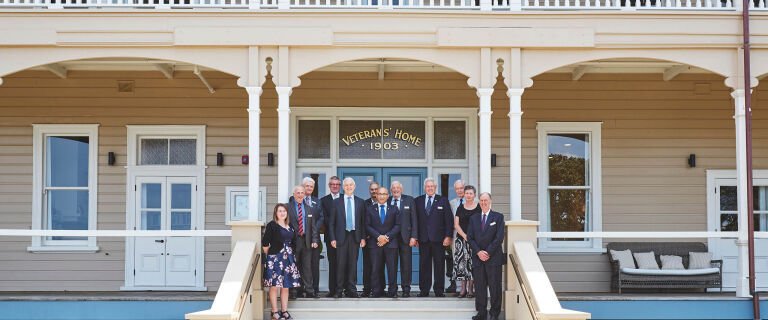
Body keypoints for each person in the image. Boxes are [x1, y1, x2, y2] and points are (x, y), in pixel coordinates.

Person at [468, 193, 504, 320]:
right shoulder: (473, 218)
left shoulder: (498, 217)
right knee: (480, 287)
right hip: (478, 258)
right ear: (479, 202)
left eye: (486, 200)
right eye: (481, 200)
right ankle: (481, 313)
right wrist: (479, 252)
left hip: (493, 258)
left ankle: (494, 314)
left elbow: (499, 237)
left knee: (495, 287)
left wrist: (487, 252)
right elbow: (470, 238)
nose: (483, 203)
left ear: (490, 201)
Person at [414, 177, 453, 297]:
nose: (430, 188)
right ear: (424, 188)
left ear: (435, 187)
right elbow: (415, 220)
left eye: (432, 186)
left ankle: (439, 290)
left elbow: (449, 220)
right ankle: (424, 290)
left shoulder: (443, 200)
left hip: (439, 239)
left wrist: (448, 236)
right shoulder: (418, 201)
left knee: (439, 265)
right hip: (423, 239)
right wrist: (415, 237)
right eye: (428, 186)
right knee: (424, 265)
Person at [328, 177, 367, 298]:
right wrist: (332, 238)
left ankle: (351, 290)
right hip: (341, 236)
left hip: (355, 236)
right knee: (340, 264)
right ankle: (339, 290)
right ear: (343, 187)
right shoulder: (336, 202)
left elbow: (363, 222)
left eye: (351, 185)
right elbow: (331, 223)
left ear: (354, 187)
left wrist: (363, 238)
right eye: (346, 185)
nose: (349, 187)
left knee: (352, 264)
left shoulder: (360, 202)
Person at [263, 203, 301, 320]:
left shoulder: (290, 225)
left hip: (289, 259)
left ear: (286, 213)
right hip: (275, 259)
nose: (282, 213)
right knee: (274, 285)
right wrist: (271, 256)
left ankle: (284, 311)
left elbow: (294, 242)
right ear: (276, 213)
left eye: (284, 211)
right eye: (280, 211)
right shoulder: (272, 225)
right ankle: (274, 312)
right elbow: (265, 243)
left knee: (286, 286)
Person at [365, 186, 401, 298]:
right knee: (375, 269)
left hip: (391, 244)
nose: (381, 196)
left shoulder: (394, 209)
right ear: (376, 195)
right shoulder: (370, 209)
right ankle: (376, 291)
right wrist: (378, 237)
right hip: (375, 244)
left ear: (388, 196)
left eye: (384, 194)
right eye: (380, 194)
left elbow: (398, 225)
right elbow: (367, 225)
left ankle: (392, 291)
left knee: (392, 269)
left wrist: (386, 237)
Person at [287, 185, 322, 299]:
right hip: (293, 241)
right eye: (298, 193)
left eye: (302, 193)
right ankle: (294, 291)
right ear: (294, 194)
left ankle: (309, 290)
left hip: (307, 241)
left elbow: (313, 227)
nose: (300, 195)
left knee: (307, 267)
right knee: (294, 266)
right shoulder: (288, 207)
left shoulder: (309, 208)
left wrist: (315, 240)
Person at [389, 181, 417, 297]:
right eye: (394, 188)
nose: (396, 190)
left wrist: (414, 236)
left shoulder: (409, 200)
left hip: (406, 238)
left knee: (406, 265)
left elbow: (414, 219)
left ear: (401, 189)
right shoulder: (387, 200)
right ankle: (393, 289)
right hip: (391, 238)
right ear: (391, 190)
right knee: (392, 265)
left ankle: (406, 289)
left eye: (398, 188)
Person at [453, 185, 479, 298]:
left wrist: (471, 237)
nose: (468, 195)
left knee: (471, 264)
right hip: (461, 240)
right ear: (464, 194)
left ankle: (470, 289)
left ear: (474, 195)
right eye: (467, 193)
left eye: (470, 193)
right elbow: (456, 224)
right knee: (461, 265)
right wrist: (464, 236)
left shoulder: (478, 208)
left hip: (475, 240)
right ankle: (462, 289)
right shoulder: (460, 208)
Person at [320, 176, 342, 297]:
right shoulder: (323, 201)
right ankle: (333, 290)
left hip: (345, 237)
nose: (335, 186)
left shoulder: (345, 198)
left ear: (340, 186)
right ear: (329, 186)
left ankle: (344, 289)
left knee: (344, 263)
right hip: (330, 236)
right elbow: (324, 218)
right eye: (332, 184)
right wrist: (336, 225)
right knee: (333, 263)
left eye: (337, 184)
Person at [362, 181, 382, 297]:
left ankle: (380, 289)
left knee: (380, 266)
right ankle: (366, 289)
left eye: (376, 189)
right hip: (369, 239)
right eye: (372, 189)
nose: (374, 191)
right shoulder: (364, 204)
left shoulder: (386, 202)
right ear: (369, 191)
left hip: (382, 241)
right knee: (368, 266)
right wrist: (364, 236)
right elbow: (362, 221)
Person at [446, 179, 466, 294]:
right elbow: (449, 221)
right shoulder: (452, 202)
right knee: (457, 261)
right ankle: (459, 288)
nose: (459, 191)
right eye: (457, 189)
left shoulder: (475, 201)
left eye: (461, 188)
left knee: (469, 262)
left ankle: (471, 288)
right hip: (455, 236)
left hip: (469, 236)